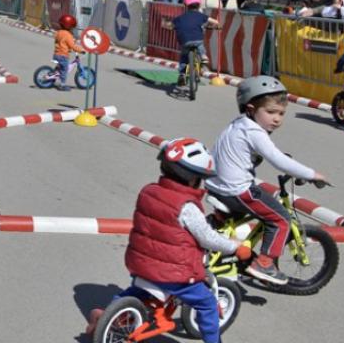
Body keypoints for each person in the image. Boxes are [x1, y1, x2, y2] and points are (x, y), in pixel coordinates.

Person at [86, 138, 250, 343]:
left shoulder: (148, 191)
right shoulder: (187, 207)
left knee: (136, 292)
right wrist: (234, 247)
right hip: (174, 275)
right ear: (193, 179)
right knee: (207, 303)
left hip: (141, 264)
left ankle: (106, 315)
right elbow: (208, 239)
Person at [207, 76, 328, 285]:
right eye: (270, 112)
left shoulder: (237, 125)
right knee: (280, 219)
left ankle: (217, 229)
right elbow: (277, 160)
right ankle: (264, 264)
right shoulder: (255, 132)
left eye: (281, 113)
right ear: (250, 108)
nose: (277, 119)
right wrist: (311, 174)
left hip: (216, 186)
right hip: (236, 190)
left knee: (251, 206)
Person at [165, 0, 219, 87]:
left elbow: (169, 25)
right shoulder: (201, 16)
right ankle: (202, 55)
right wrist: (214, 26)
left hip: (184, 41)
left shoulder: (179, 18)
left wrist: (169, 27)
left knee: (183, 58)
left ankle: (182, 74)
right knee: (199, 44)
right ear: (199, 5)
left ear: (186, 6)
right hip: (197, 39)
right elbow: (215, 22)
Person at [52, 15, 84, 91]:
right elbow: (73, 46)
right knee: (64, 70)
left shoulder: (59, 32)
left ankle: (52, 75)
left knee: (59, 68)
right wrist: (81, 50)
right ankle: (62, 85)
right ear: (69, 26)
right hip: (63, 55)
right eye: (72, 26)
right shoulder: (68, 35)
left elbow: (61, 41)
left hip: (56, 54)